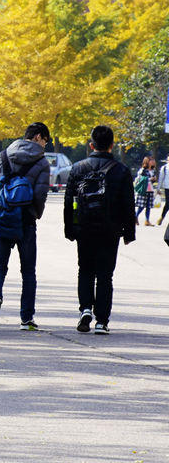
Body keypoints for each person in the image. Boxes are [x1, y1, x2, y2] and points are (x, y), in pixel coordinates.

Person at [63, 125, 136, 335]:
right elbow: (128, 204)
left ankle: (85, 309)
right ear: (112, 145)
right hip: (110, 229)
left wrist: (70, 228)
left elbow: (70, 201)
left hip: (84, 228)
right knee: (105, 275)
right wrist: (129, 233)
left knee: (85, 269)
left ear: (91, 145)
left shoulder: (78, 168)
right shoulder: (121, 170)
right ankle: (102, 321)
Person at [0, 122, 52, 330]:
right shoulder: (41, 162)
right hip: (26, 220)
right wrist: (33, 212)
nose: (45, 146)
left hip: (4, 217)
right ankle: (26, 318)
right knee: (28, 271)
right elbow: (40, 194)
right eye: (46, 141)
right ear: (38, 137)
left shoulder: (1, 156)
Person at [134, 156, 155, 226]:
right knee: (141, 206)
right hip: (144, 190)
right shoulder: (142, 170)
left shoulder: (152, 171)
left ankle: (147, 220)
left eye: (153, 160)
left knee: (148, 206)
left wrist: (154, 179)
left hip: (150, 190)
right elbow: (141, 179)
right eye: (151, 160)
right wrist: (150, 179)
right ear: (147, 162)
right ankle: (135, 217)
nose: (152, 161)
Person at [158, 157, 169, 226]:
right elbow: (161, 178)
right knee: (168, 203)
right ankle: (162, 217)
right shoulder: (164, 168)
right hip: (167, 187)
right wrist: (158, 188)